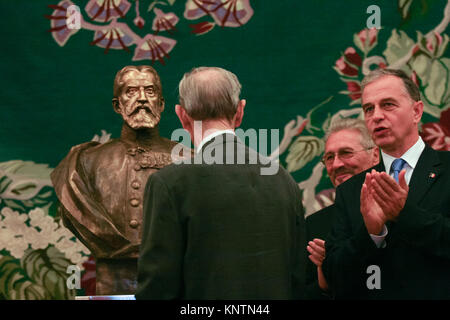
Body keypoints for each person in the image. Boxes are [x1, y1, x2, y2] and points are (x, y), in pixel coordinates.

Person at [135, 66, 306, 299]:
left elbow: (157, 289)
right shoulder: (284, 180)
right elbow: (298, 279)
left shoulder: (169, 184)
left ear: (182, 115)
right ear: (240, 111)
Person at [322, 68, 450, 299]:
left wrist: (405, 214)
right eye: (368, 109)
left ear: (417, 111)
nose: (376, 116)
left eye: (388, 105)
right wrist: (372, 233)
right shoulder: (351, 191)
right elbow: (335, 277)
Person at [51, 65, 179, 295]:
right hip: (111, 279)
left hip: (172, 278)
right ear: (117, 105)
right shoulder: (85, 162)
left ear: (161, 104)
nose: (141, 99)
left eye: (149, 91)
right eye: (130, 91)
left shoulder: (188, 158)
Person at [305, 118, 379, 299]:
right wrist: (327, 277)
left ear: (375, 155)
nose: (336, 165)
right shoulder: (314, 226)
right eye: (329, 157)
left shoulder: (398, 209)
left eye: (346, 153)